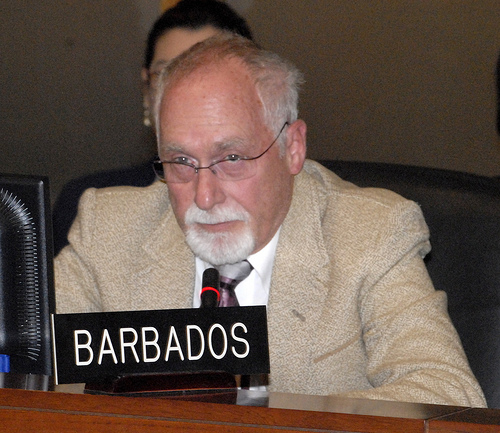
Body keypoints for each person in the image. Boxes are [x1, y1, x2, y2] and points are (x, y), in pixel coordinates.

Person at [55, 33, 486, 407]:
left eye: (232, 158)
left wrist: (262, 427)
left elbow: (447, 395)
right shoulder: (107, 229)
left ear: (292, 148)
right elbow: (34, 378)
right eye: (181, 162)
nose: (204, 196)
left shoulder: (371, 234)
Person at [51, 0, 253, 256]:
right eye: (165, 73)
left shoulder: (291, 203)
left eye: (205, 73)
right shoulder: (89, 207)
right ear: (146, 90)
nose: (182, 93)